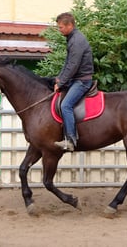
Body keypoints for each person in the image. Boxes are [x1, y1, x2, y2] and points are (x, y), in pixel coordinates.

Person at [54, 12, 94, 151]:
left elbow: (73, 65)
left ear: (70, 25)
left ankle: (70, 140)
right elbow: (68, 63)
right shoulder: (72, 39)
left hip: (82, 81)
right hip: (75, 79)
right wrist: (59, 78)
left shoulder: (77, 40)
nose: (60, 30)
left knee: (66, 105)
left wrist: (61, 83)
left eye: (61, 27)